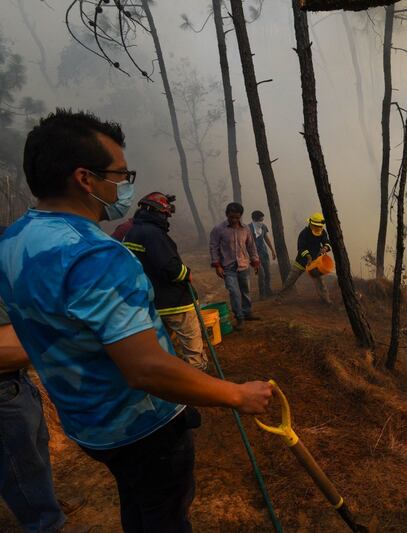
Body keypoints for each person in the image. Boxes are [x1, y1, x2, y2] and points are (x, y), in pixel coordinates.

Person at [0, 109, 273, 532]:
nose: (126, 185)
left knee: (141, 507)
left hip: (87, 424)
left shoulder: (14, 241)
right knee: (164, 516)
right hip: (143, 428)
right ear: (85, 178)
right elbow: (144, 367)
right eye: (121, 174)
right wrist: (237, 395)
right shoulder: (97, 255)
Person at [0, 226, 86, 533]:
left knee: (35, 453)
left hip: (17, 382)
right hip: (4, 391)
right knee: (19, 465)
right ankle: (44, 523)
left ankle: (46, 503)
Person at [123, 192, 208, 371]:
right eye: (166, 215)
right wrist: (187, 274)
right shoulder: (153, 234)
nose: (167, 219)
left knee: (163, 348)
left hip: (152, 303)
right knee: (193, 351)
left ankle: (171, 384)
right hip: (176, 303)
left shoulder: (131, 233)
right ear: (158, 212)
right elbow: (171, 268)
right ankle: (198, 385)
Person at [209, 202, 261, 328]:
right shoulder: (218, 229)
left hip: (243, 265)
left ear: (240, 216)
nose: (234, 220)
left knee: (245, 291)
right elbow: (213, 247)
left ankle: (247, 312)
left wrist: (255, 261)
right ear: (227, 215)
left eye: (237, 217)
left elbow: (251, 246)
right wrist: (217, 266)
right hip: (228, 267)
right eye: (231, 217)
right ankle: (239, 318)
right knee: (234, 292)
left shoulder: (245, 229)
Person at [280, 212, 332, 304]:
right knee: (290, 280)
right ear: (311, 224)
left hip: (315, 263)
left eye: (319, 227)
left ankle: (326, 300)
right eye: (316, 226)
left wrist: (325, 248)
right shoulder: (304, 234)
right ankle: (279, 299)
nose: (318, 229)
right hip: (301, 261)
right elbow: (301, 248)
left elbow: (327, 242)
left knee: (320, 283)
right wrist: (308, 257)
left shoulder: (322, 232)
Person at [248, 210, 277, 298]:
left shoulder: (263, 227)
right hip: (254, 256)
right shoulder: (248, 228)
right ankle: (262, 293)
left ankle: (268, 290)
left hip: (264, 253)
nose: (261, 222)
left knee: (268, 273)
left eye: (262, 220)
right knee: (261, 274)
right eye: (259, 220)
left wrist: (272, 250)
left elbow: (266, 238)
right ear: (254, 219)